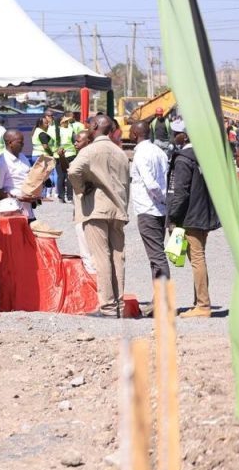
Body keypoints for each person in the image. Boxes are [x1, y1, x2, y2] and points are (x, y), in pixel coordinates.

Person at [68, 115, 131, 318]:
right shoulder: (120, 153)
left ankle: (108, 307)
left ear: (95, 126)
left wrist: (82, 188)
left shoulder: (89, 150)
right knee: (117, 257)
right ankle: (119, 305)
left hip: (96, 209)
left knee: (101, 258)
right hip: (118, 210)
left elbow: (73, 171)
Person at [167, 129, 220, 318]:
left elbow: (180, 192)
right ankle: (199, 301)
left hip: (189, 216)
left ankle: (203, 305)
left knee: (197, 259)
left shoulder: (182, 159)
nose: (175, 135)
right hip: (203, 213)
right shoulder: (204, 156)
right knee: (199, 258)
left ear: (186, 137)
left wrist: (172, 217)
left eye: (178, 132)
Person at [129, 121, 171, 284]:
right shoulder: (159, 151)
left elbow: (151, 184)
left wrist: (161, 199)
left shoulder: (141, 154)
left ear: (135, 134)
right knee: (156, 256)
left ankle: (164, 303)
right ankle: (158, 302)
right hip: (160, 211)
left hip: (148, 210)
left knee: (157, 257)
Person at [0, 129, 37, 220]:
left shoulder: (23, 157)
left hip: (28, 211)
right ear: (10, 143)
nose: (23, 145)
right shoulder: (2, 162)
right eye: (20, 142)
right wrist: (16, 197)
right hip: (12, 211)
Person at [72, 130, 96, 274]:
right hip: (83, 207)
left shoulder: (86, 157)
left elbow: (72, 173)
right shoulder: (85, 156)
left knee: (87, 249)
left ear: (88, 142)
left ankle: (94, 282)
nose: (75, 143)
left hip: (87, 209)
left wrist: (81, 187)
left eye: (78, 141)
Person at [51, 112, 80, 203]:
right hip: (70, 156)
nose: (67, 123)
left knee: (60, 176)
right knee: (69, 176)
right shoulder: (70, 130)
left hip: (58, 156)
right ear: (61, 122)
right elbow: (75, 141)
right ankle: (70, 197)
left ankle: (61, 197)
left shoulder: (53, 130)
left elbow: (50, 144)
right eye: (66, 121)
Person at [30, 114, 55, 199]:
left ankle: (38, 195)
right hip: (41, 156)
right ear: (40, 124)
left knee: (38, 176)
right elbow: (45, 146)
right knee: (42, 177)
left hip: (35, 155)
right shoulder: (41, 133)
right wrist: (51, 153)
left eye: (47, 123)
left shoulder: (35, 131)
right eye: (45, 123)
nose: (47, 124)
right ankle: (42, 196)